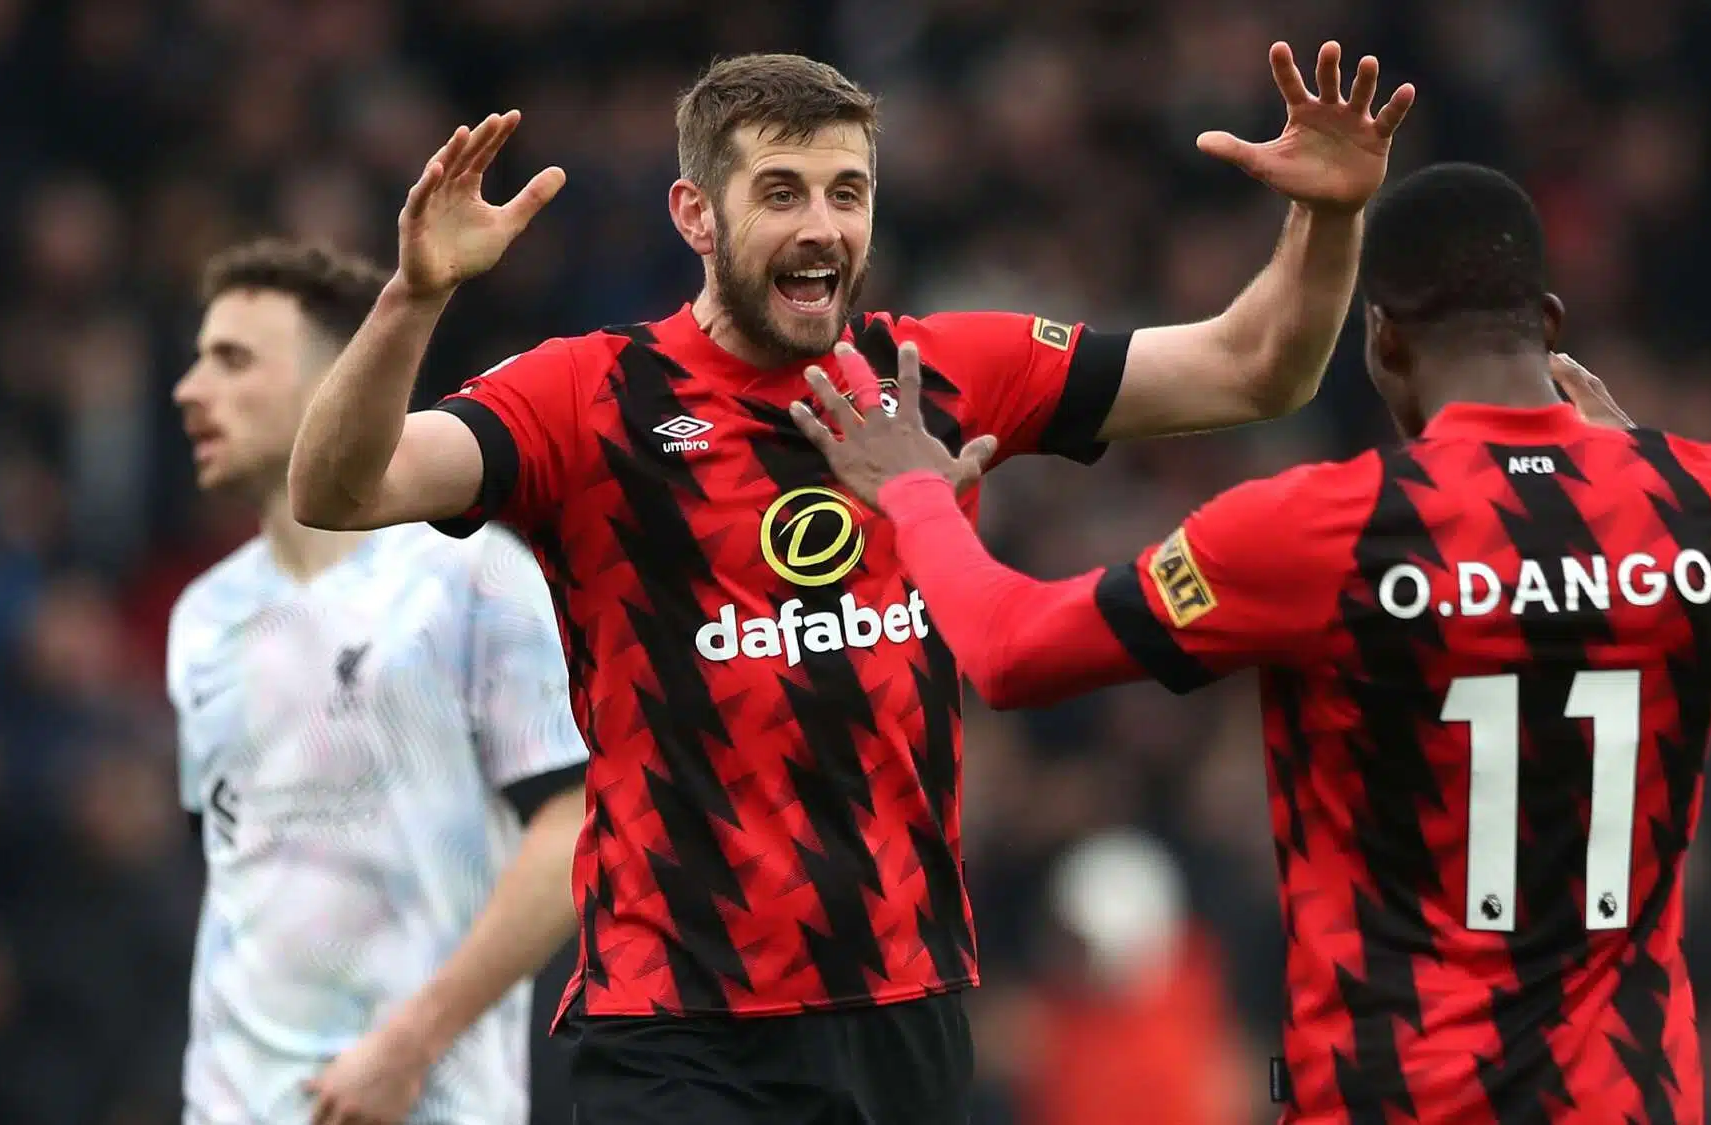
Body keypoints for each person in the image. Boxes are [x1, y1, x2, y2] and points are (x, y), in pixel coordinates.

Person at [284, 41, 1412, 1125]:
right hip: (679, 1025)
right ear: (696, 216)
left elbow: (1255, 369)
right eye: (780, 193)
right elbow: (340, 487)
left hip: (904, 1011)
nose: (821, 225)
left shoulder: (943, 372)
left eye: (847, 193)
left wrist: (1328, 215)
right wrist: (413, 296)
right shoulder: (585, 397)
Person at [791, 162, 1711, 1124]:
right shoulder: (1708, 502)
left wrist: (917, 494)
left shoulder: (1322, 528)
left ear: (1382, 340)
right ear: (1547, 323)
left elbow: (1012, 651)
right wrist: (1635, 459)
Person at [167, 238, 587, 1125]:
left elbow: (573, 825)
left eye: (233, 360)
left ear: (334, 379)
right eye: (199, 359)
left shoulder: (472, 577)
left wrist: (411, 1041)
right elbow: (240, 875)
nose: (190, 389)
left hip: (424, 1096)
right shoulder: (201, 617)